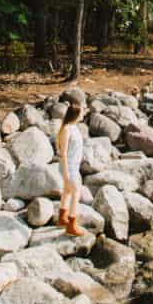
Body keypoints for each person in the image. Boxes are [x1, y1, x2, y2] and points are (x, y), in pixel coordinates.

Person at [57, 100, 85, 236]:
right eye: (82, 112)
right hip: (69, 167)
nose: (83, 114)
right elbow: (63, 153)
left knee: (67, 191)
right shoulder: (66, 129)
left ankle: (62, 218)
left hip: (74, 166)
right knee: (76, 193)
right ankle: (71, 225)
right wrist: (67, 173)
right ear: (76, 115)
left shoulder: (74, 127)